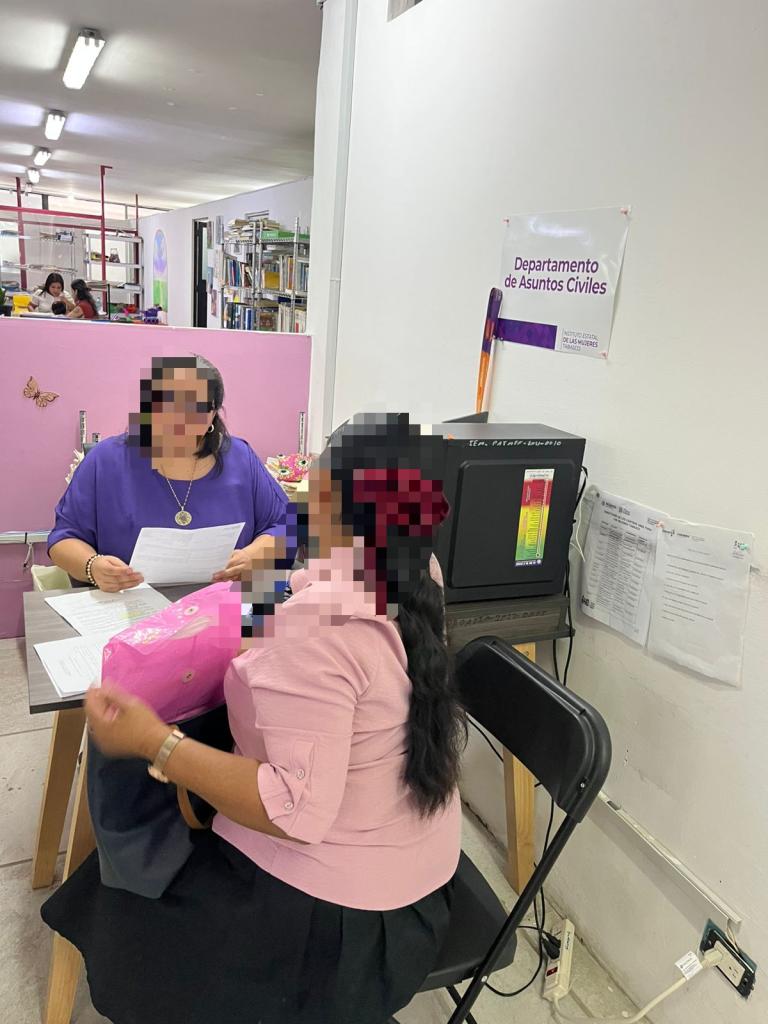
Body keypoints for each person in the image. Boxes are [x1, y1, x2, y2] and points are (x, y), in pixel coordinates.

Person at [41, 413, 464, 1024]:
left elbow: (293, 810)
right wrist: (264, 597)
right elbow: (310, 595)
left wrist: (156, 743)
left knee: (115, 900)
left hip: (345, 923)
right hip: (420, 872)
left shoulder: (313, 622)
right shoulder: (419, 570)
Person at [48, 355, 289, 591]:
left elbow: (286, 525)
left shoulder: (240, 458)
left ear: (213, 413)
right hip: (129, 605)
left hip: (220, 604)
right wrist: (92, 566)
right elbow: (63, 539)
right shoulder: (105, 461)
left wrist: (254, 556)